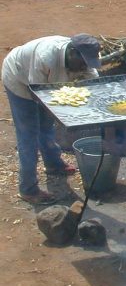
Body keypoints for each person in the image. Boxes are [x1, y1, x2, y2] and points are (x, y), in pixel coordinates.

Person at [1, 34, 101, 204]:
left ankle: (54, 164)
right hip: (19, 80)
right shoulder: (46, 57)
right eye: (83, 62)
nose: (85, 66)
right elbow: (38, 93)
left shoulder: (83, 58)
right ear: (72, 53)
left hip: (44, 85)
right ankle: (28, 189)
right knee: (28, 136)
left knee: (46, 128)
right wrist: (66, 117)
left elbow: (92, 81)